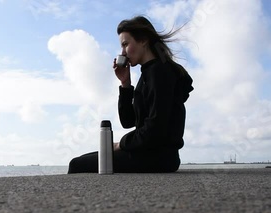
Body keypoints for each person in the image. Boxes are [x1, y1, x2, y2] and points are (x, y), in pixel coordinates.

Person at [68, 16, 193, 174]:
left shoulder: (159, 73)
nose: (123, 52)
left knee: (77, 165)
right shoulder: (148, 74)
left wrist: (121, 144)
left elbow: (155, 130)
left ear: (143, 40)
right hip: (149, 153)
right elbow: (128, 121)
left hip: (157, 157)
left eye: (126, 44)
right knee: (86, 158)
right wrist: (125, 84)